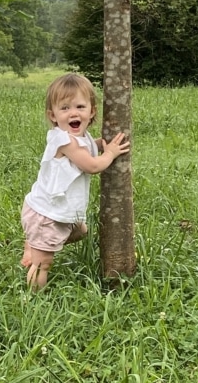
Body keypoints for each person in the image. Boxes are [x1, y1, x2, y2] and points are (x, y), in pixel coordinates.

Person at [20, 73, 130, 291]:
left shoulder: (82, 138)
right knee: (43, 264)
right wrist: (110, 153)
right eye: (65, 108)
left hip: (60, 212)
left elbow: (88, 148)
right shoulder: (63, 140)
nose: (73, 113)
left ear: (92, 111)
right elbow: (92, 166)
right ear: (53, 116)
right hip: (46, 214)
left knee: (80, 231)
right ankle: (34, 300)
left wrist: (102, 143)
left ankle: (36, 246)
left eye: (80, 106)